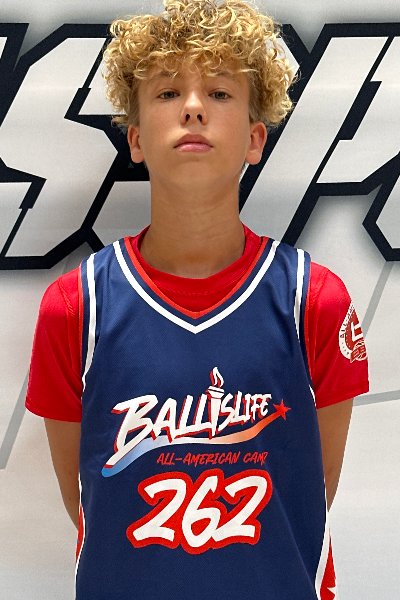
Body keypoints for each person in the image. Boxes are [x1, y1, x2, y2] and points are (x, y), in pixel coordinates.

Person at [25, 1, 369, 598]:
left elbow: (311, 492)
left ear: (255, 139)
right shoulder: (75, 307)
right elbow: (89, 501)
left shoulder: (313, 300)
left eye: (219, 92)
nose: (192, 107)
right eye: (166, 93)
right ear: (135, 139)